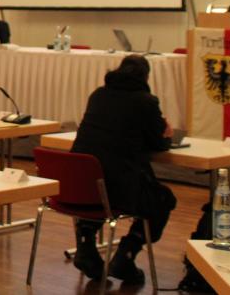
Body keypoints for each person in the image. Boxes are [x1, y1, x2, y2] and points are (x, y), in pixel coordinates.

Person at [70, 55, 176, 284]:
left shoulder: (98, 95)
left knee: (101, 194)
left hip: (80, 186)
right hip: (119, 189)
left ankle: (86, 245)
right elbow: (157, 143)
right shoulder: (146, 101)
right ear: (146, 77)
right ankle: (126, 253)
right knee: (163, 199)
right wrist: (166, 133)